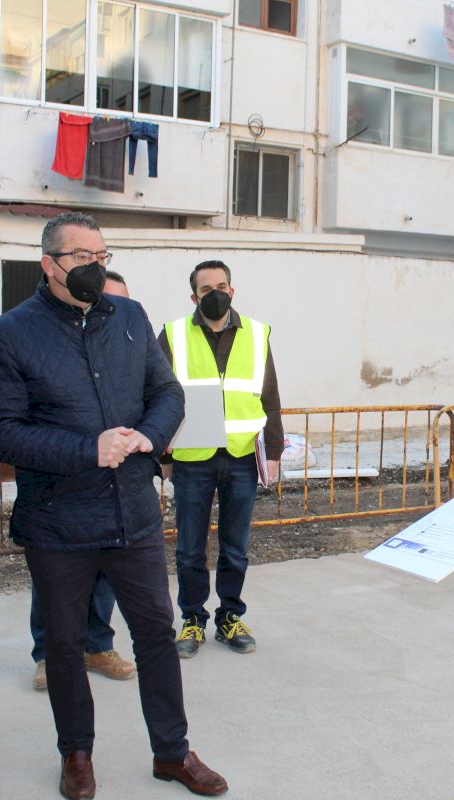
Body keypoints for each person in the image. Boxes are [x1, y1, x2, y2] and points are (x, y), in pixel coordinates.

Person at [0, 212, 227, 799]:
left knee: (156, 635)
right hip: (58, 523)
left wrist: (149, 436)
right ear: (49, 264)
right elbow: (1, 432)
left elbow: (166, 392)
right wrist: (86, 450)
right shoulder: (11, 332)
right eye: (81, 257)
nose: (94, 266)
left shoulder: (130, 317)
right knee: (65, 645)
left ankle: (172, 752)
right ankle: (76, 755)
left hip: (132, 514)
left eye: (101, 255)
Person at [158, 260, 283, 658]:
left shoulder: (257, 333)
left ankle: (230, 617)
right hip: (192, 457)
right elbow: (157, 395)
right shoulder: (173, 334)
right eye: (206, 288)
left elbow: (270, 398)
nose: (215, 293)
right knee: (190, 548)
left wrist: (274, 452)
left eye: (222, 286)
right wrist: (162, 452)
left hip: (242, 456)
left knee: (235, 546)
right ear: (194, 297)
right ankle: (193, 618)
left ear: (232, 291)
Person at [28, 264, 136, 693]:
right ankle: (47, 653)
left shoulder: (132, 344)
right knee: (54, 583)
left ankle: (97, 644)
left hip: (119, 485)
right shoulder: (52, 343)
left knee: (107, 575)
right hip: (63, 486)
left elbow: (158, 395)